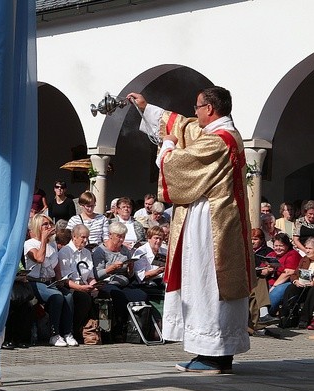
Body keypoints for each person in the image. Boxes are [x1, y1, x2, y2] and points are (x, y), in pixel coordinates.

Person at [127, 86, 254, 374]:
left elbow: (177, 165)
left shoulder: (219, 140)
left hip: (212, 224)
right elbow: (182, 125)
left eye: (197, 107)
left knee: (207, 282)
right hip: (212, 219)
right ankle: (213, 353)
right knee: (205, 284)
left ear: (210, 109)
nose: (194, 112)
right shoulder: (215, 132)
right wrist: (147, 107)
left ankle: (214, 355)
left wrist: (168, 146)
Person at [24, 214, 76, 347]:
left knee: (68, 295)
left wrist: (60, 282)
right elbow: (39, 258)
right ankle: (54, 334)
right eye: (45, 224)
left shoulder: (52, 243)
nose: (48, 227)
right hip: (34, 281)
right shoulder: (29, 244)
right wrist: (43, 239)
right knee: (56, 297)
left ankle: (67, 333)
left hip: (49, 281)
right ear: (37, 227)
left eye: (49, 224)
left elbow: (56, 267)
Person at [92, 222, 148, 340]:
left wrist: (131, 268)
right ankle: (116, 329)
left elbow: (130, 274)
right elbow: (98, 274)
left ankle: (134, 328)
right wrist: (111, 268)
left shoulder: (125, 251)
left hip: (124, 282)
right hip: (108, 283)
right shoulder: (100, 251)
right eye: (119, 236)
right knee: (117, 296)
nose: (121, 239)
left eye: (123, 236)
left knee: (142, 295)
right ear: (110, 235)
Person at [57, 224, 99, 342]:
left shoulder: (87, 253)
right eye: (83, 237)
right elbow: (65, 279)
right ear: (74, 237)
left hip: (85, 285)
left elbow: (90, 275)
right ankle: (75, 330)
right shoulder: (65, 252)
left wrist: (95, 285)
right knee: (83, 298)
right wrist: (80, 288)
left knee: (106, 296)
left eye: (87, 238)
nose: (85, 241)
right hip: (71, 286)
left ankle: (98, 331)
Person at [260, 233, 301, 320]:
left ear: (287, 245)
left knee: (277, 291)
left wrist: (274, 286)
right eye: (276, 246)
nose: (278, 248)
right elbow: (261, 270)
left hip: (286, 282)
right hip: (269, 281)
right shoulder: (271, 255)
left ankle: (267, 312)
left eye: (281, 246)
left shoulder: (292, 254)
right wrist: (267, 270)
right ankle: (257, 312)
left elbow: (288, 273)